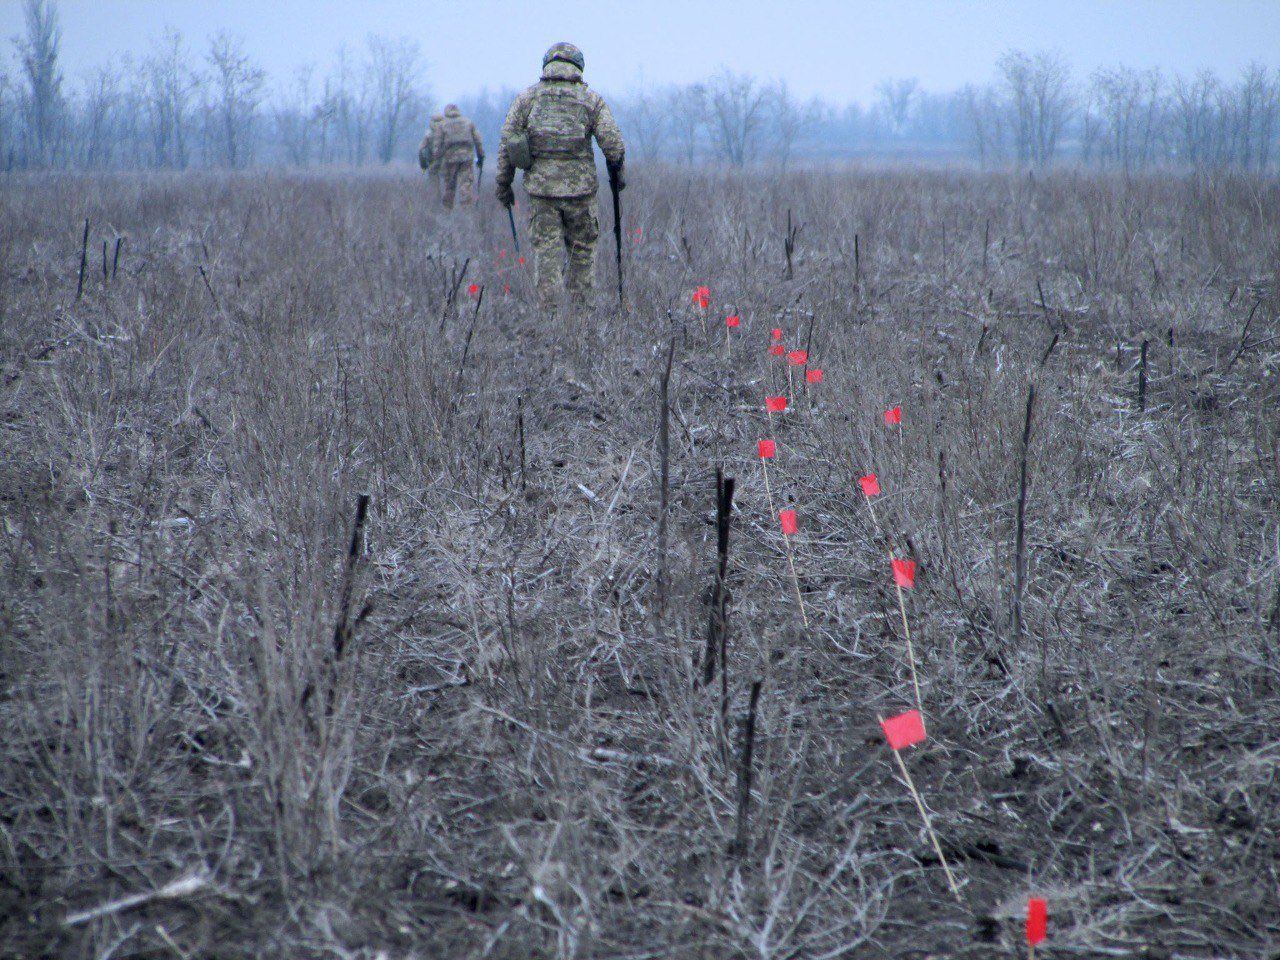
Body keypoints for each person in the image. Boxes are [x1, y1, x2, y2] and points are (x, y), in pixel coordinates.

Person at [494, 42, 625, 311]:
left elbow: (508, 144)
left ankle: (550, 319)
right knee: (582, 254)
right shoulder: (591, 100)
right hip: (581, 193)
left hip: (542, 195)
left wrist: (503, 186)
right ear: (578, 66)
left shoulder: (527, 99)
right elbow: (613, 146)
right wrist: (618, 177)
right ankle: (581, 319)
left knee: (547, 256)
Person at [432, 104, 484, 209]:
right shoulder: (468, 122)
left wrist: (437, 160)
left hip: (449, 159)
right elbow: (478, 141)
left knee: (449, 186)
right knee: (466, 184)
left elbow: (437, 145)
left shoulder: (442, 125)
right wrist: (481, 156)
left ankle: (447, 210)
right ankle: (466, 209)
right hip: (467, 158)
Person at [418, 112, 445, 190]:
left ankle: (435, 198)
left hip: (433, 161)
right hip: (447, 161)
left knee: (434, 180)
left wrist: (423, 166)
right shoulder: (448, 131)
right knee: (449, 182)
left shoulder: (428, 134)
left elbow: (421, 150)